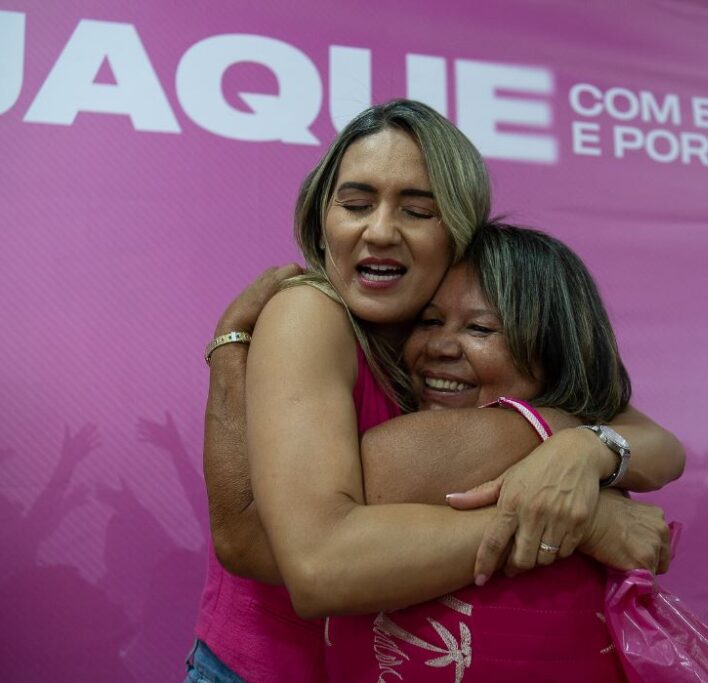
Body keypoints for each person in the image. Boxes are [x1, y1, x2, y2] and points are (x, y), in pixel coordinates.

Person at [190, 100, 682, 682]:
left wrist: (585, 449)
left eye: (418, 211)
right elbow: (298, 558)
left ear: (459, 232)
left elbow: (656, 443)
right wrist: (580, 524)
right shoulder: (310, 313)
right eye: (355, 205)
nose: (379, 231)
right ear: (321, 220)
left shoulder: (453, 318)